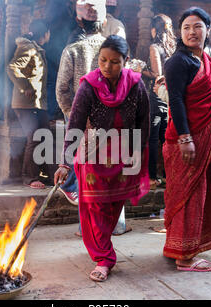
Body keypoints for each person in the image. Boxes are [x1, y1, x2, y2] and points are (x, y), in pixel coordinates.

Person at [54, 35, 150, 282]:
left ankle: (103, 247)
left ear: (126, 61)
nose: (107, 67)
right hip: (93, 153)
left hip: (124, 153)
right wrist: (65, 162)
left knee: (113, 206)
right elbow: (75, 123)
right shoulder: (88, 85)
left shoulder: (137, 85)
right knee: (93, 207)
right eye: (103, 60)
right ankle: (104, 258)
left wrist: (138, 152)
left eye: (115, 62)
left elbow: (143, 121)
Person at [163, 7, 211, 272]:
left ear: (208, 29)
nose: (192, 32)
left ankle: (179, 247)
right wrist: (185, 138)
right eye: (187, 27)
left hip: (204, 139)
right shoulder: (178, 61)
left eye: (197, 26)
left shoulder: (207, 58)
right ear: (180, 33)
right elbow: (176, 102)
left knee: (200, 192)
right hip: (187, 140)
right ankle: (185, 257)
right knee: (187, 195)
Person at [56, 0, 107, 208]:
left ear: (79, 21)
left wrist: (73, 113)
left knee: (83, 165)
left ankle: (87, 225)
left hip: (81, 116)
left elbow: (61, 89)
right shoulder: (115, 52)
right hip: (108, 119)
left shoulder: (72, 50)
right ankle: (108, 225)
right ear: (104, 22)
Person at [6, 20, 50, 189]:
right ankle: (29, 178)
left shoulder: (36, 49)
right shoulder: (28, 47)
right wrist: (26, 87)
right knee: (34, 137)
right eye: (48, 33)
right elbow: (12, 68)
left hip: (37, 104)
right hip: (26, 103)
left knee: (43, 135)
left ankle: (42, 174)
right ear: (45, 34)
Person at [142, 14, 176, 191]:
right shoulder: (174, 47)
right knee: (166, 138)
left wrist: (141, 70)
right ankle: (169, 175)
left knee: (152, 138)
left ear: (154, 29)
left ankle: (153, 178)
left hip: (157, 96)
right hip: (172, 97)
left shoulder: (154, 47)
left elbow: (158, 75)